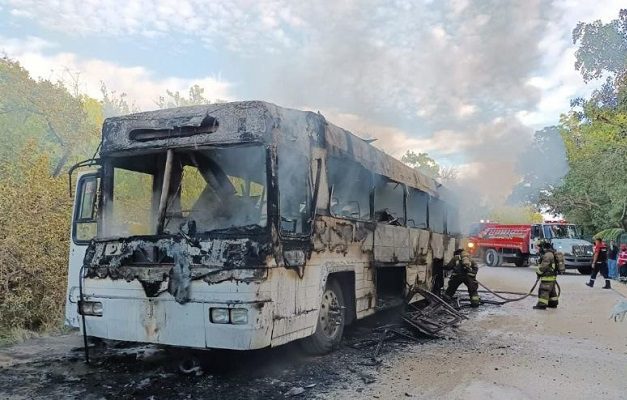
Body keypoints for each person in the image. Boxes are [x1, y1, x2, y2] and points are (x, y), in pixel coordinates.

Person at [534, 240, 565, 310]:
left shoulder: (547, 255)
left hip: (547, 277)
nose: (538, 250)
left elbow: (544, 266)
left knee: (544, 290)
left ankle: (541, 305)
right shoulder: (552, 253)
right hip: (552, 277)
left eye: (539, 248)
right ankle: (553, 303)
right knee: (552, 291)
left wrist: (538, 272)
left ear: (543, 247)